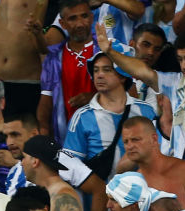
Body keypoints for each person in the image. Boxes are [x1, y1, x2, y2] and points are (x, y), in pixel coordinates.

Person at [96, 26, 185, 160]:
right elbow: (142, 71)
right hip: (183, 170)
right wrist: (110, 51)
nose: (184, 65)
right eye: (180, 59)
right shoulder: (175, 83)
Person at [62, 48, 157, 181]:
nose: (99, 75)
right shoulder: (82, 117)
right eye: (96, 70)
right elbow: (69, 165)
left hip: (142, 197)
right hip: (101, 199)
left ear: (123, 76)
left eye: (107, 70)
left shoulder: (147, 111)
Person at [36, 0, 97, 144]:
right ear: (62, 24)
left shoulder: (108, 50)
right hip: (68, 143)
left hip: (104, 139)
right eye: (73, 18)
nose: (80, 23)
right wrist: (45, 147)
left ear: (92, 18)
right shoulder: (54, 58)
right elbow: (45, 109)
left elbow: (128, 95)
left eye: (84, 16)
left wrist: (95, 98)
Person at [121, 116, 185, 208]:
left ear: (154, 139)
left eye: (135, 140)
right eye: (126, 142)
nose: (130, 146)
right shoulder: (131, 183)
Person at [20, 135, 84, 211]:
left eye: (23, 158)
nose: (21, 163)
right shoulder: (43, 192)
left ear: (35, 162)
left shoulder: (64, 197)